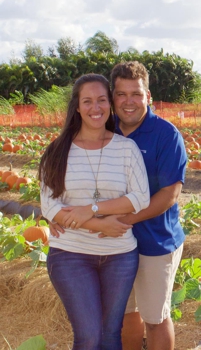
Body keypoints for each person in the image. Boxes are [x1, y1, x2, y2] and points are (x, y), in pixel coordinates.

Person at [39, 73, 150, 350]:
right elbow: (50, 206)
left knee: (112, 335)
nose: (95, 108)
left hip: (120, 256)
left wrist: (93, 209)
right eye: (87, 101)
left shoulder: (127, 149)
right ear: (76, 106)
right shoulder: (57, 151)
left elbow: (140, 198)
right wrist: (98, 225)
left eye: (101, 100)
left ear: (109, 105)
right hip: (71, 255)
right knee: (89, 337)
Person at [109, 61, 187, 350]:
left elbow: (169, 194)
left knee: (155, 318)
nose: (129, 102)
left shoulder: (166, 135)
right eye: (121, 94)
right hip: (114, 241)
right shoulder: (104, 129)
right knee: (126, 315)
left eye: (136, 94)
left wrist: (124, 220)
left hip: (155, 241)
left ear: (148, 97)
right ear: (113, 96)